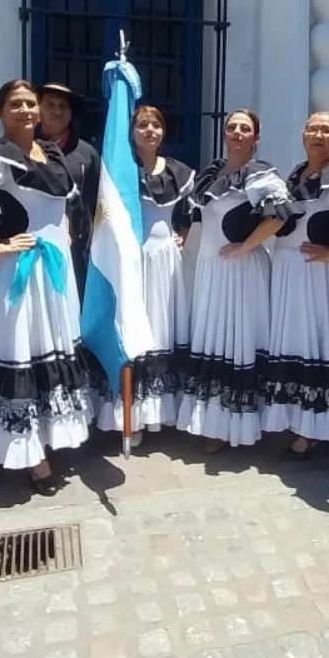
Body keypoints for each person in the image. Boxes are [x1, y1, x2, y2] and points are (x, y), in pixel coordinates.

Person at [0, 80, 93, 494]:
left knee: (48, 351)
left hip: (54, 270)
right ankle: (31, 456)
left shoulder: (50, 155)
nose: (26, 111)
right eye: (16, 104)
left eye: (30, 104)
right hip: (18, 271)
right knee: (20, 351)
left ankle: (46, 439)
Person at [177, 109, 295, 451]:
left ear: (256, 137)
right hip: (213, 267)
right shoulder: (213, 172)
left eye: (245, 128)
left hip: (241, 269)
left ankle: (239, 424)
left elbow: (279, 215)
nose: (237, 133)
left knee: (238, 340)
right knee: (214, 338)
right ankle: (215, 422)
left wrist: (247, 246)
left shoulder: (259, 173)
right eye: (232, 127)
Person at [262, 111, 329, 459]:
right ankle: (299, 418)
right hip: (288, 270)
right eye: (312, 128)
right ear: (303, 135)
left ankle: (316, 430)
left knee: (316, 342)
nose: (318, 134)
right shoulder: (296, 174)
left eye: (327, 129)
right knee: (294, 342)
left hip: (318, 275)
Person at [96, 104, 194, 441]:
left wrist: (179, 236)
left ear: (163, 131)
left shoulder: (180, 172)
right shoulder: (122, 174)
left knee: (162, 330)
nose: (149, 130)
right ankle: (132, 416)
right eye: (142, 125)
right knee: (134, 331)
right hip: (131, 262)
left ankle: (162, 412)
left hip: (165, 263)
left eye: (155, 124)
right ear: (131, 131)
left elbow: (187, 215)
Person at [37, 82, 100, 300]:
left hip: (76, 248)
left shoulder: (86, 153)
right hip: (35, 246)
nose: (57, 111)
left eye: (63, 106)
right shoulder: (22, 148)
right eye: (50, 105)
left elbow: (94, 201)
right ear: (38, 110)